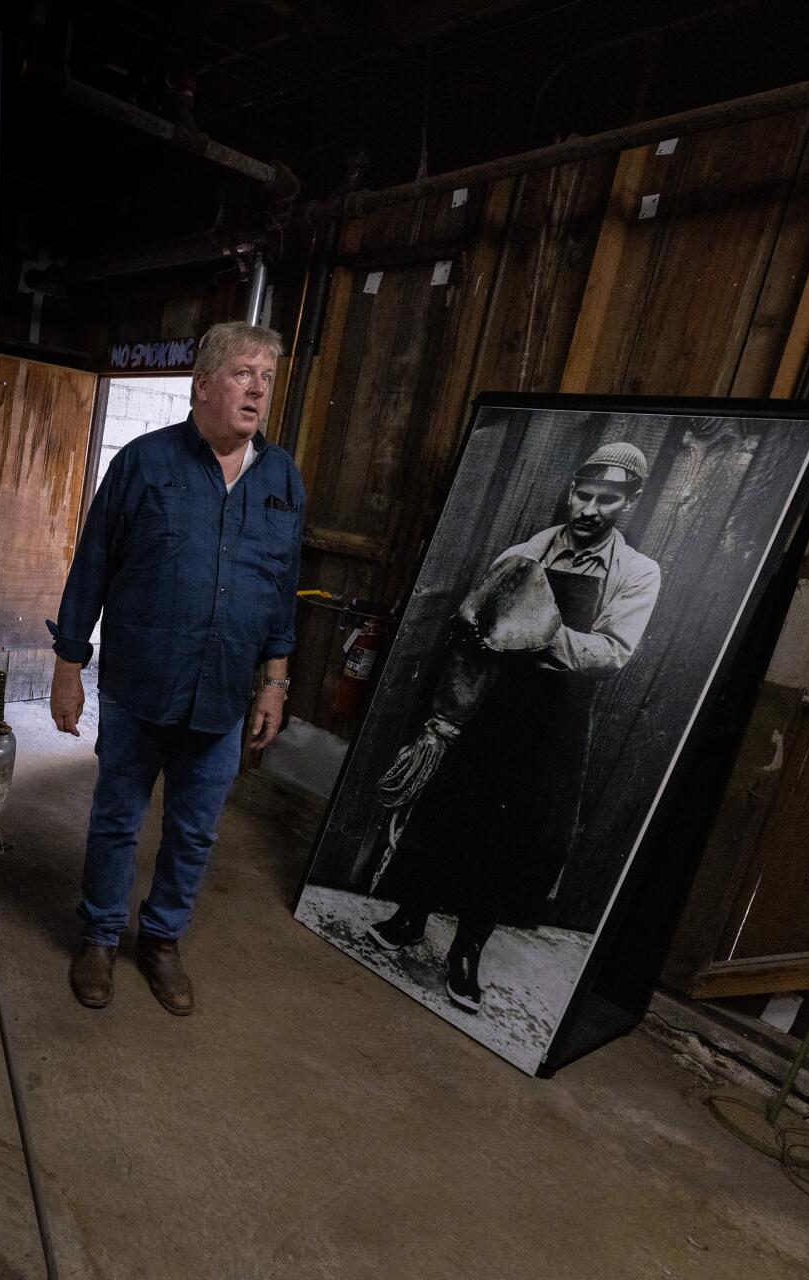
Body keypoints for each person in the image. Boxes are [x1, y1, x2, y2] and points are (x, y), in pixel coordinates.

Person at [46, 320, 305, 1016]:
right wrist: (69, 665)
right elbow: (93, 565)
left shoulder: (281, 477)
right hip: (140, 686)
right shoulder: (143, 463)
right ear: (202, 384)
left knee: (194, 830)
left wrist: (275, 683)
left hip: (222, 695)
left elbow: (282, 591)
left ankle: (160, 941)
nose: (257, 389)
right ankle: (99, 936)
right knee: (117, 819)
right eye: (243, 373)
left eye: (267, 378)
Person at [362, 441, 662, 1014]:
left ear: (632, 502)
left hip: (553, 722)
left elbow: (613, 652)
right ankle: (411, 918)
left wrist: (538, 628)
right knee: (447, 812)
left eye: (608, 499)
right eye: (584, 493)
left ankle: (467, 952)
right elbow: (478, 621)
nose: (590, 509)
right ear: (571, 490)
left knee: (513, 839)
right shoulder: (525, 551)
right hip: (489, 705)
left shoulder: (636, 574)